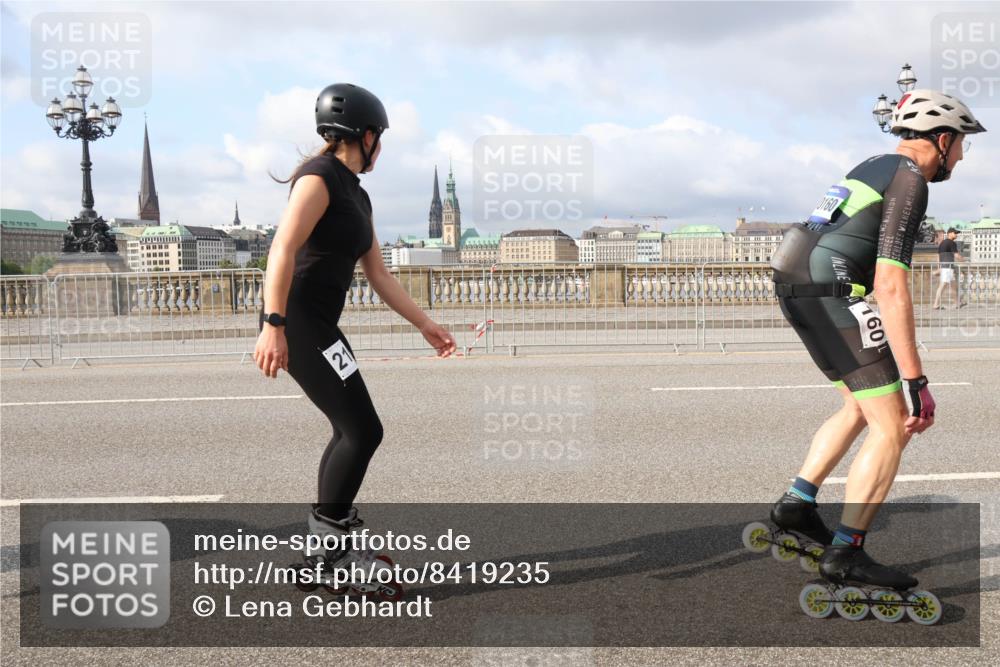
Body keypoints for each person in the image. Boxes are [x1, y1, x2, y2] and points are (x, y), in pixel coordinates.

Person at [768, 89, 986, 589]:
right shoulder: (911, 179)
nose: (960, 156)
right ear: (943, 138)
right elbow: (890, 285)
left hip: (795, 285)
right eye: (961, 146)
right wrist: (917, 380)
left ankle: (797, 505)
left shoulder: (873, 164)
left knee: (860, 406)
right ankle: (847, 553)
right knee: (893, 426)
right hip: (834, 292)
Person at [253, 83, 456, 586]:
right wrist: (273, 325)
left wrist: (426, 326)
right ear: (364, 135)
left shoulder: (357, 195)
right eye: (379, 138)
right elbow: (281, 250)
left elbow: (380, 275)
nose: (380, 148)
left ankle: (325, 551)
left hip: (322, 326)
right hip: (297, 320)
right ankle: (331, 556)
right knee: (362, 430)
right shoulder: (317, 178)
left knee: (355, 429)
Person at [932, 228, 965, 309]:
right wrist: (964, 260)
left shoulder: (942, 243)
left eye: (957, 233)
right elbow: (956, 255)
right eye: (955, 233)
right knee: (942, 286)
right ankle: (935, 304)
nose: (956, 235)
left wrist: (939, 267)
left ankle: (957, 303)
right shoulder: (951, 243)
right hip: (948, 268)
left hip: (945, 267)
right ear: (949, 233)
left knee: (953, 286)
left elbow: (938, 256)